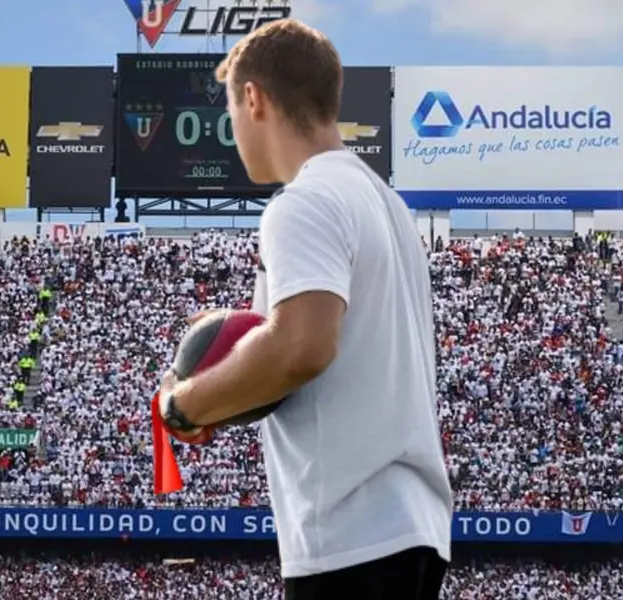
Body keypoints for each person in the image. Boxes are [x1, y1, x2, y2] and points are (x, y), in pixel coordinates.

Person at [155, 18, 453, 600]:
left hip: (349, 533)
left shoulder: (302, 202)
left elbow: (301, 349)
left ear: (254, 98)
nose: (232, 129)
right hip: (409, 526)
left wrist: (186, 404)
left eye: (231, 112)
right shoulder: (385, 204)